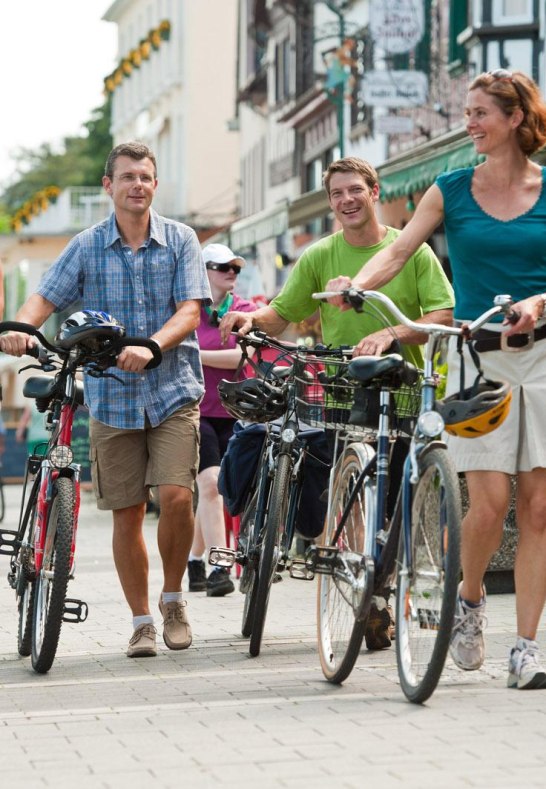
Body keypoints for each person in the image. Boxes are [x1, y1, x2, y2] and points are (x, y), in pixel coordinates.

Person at [327, 72, 546, 689]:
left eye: (480, 113)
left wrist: (539, 304)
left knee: (539, 508)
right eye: (468, 113)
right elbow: (396, 252)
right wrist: (359, 284)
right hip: (478, 359)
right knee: (490, 505)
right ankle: (469, 603)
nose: (470, 123)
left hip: (544, 356)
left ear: (514, 118)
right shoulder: (449, 189)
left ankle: (527, 646)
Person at [220, 156, 455, 650]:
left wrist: (390, 334)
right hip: (338, 393)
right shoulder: (319, 256)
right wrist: (250, 322)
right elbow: (284, 312)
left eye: (355, 190)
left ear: (374, 191)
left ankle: (387, 590)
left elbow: (442, 314)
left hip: (403, 388)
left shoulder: (411, 251)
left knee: (395, 507)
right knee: (345, 497)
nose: (346, 200)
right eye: (337, 194)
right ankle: (362, 590)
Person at [0, 141, 212, 659]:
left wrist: (151, 345)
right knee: (126, 512)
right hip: (111, 396)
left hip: (173, 388)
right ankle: (141, 622)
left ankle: (173, 600)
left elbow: (190, 313)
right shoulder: (86, 246)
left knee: (177, 496)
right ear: (108, 186)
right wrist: (21, 329)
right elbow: (44, 297)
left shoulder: (181, 239)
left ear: (154, 184)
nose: (137, 185)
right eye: (127, 177)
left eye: (145, 176)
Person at [188, 243, 257, 597]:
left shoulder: (245, 311)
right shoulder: (187, 311)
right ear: (203, 271)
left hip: (236, 411)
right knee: (212, 485)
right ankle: (219, 567)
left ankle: (194, 558)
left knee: (219, 490)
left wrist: (196, 353)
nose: (231, 272)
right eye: (222, 266)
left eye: (236, 268)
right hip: (195, 410)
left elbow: (241, 357)